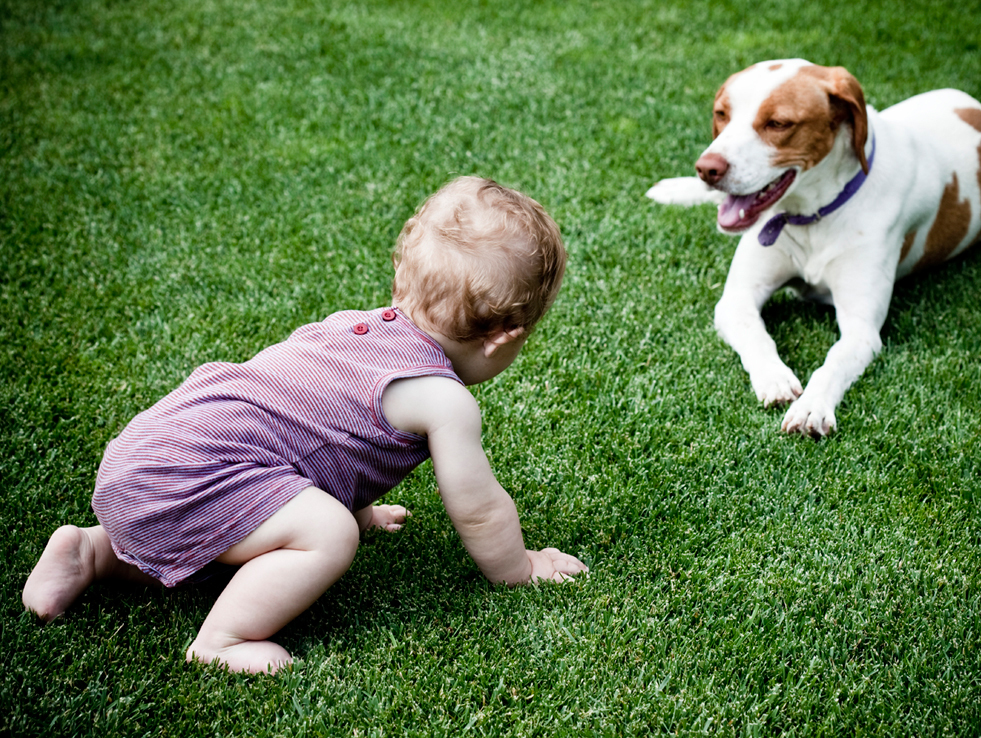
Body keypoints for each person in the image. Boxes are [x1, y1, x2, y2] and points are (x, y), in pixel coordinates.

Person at [22, 176, 587, 674]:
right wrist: (520, 566)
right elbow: (478, 507)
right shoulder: (443, 398)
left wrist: (359, 505)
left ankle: (92, 552)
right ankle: (223, 639)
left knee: (243, 520)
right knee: (326, 532)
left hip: (149, 454)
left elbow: (311, 427)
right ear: (502, 338)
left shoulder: (348, 328)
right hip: (196, 473)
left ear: (401, 276)